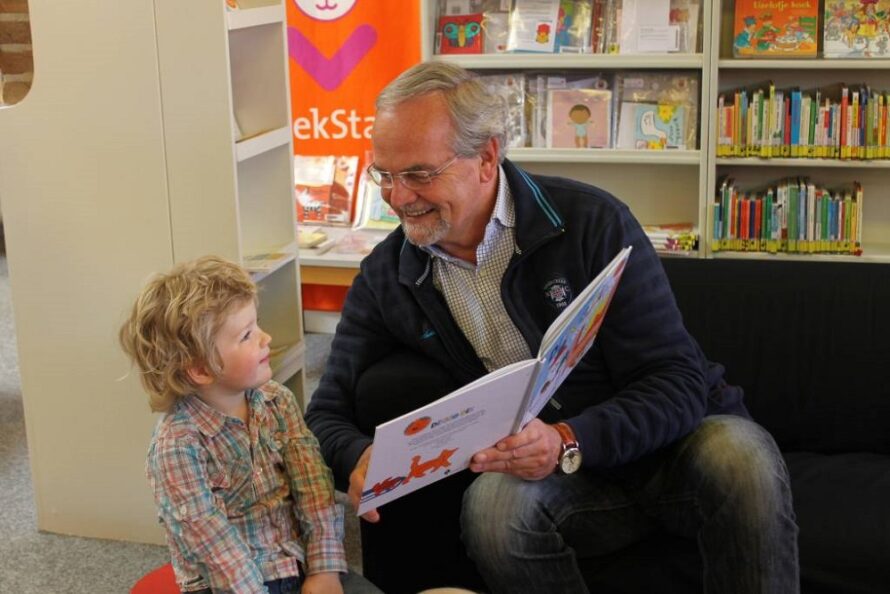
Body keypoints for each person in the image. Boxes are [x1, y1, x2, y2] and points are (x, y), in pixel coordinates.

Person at [305, 62, 800, 594]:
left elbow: (677, 381)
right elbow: (326, 410)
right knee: (494, 510)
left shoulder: (591, 222)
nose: (398, 197)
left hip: (670, 449)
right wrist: (359, 458)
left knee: (741, 457)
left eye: (421, 174)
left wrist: (567, 438)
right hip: (564, 485)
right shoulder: (390, 272)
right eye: (385, 174)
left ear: (487, 158)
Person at [119, 256, 380, 594]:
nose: (265, 337)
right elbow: (215, 547)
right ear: (200, 368)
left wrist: (324, 568)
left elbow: (313, 488)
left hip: (298, 561)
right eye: (246, 335)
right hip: (230, 584)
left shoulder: (278, 401)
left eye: (257, 325)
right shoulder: (177, 446)